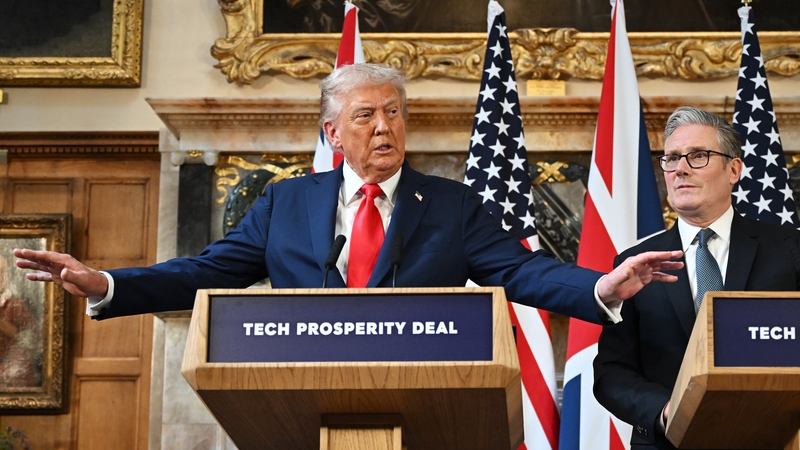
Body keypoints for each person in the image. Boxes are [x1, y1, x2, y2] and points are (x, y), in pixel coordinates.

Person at [14, 63, 681, 323]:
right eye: (365, 116)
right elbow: (207, 273)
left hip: (426, 395)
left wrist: (601, 285)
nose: (384, 126)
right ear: (333, 132)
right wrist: (106, 282)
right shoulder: (285, 203)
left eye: (394, 113)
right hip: (298, 392)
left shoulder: (451, 206)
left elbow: (523, 270)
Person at [593, 106, 800, 450]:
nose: (681, 169)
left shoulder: (789, 249)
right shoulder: (633, 266)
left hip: (773, 438)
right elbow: (611, 373)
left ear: (734, 169)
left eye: (698, 156)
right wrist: (665, 410)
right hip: (667, 442)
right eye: (672, 159)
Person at [0, 255, 42, 387]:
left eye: (3, 272)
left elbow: (38, 342)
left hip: (14, 374)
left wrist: (14, 332)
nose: (0, 277)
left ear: (8, 275)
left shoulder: (16, 305)